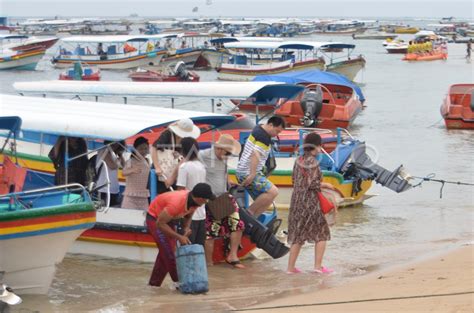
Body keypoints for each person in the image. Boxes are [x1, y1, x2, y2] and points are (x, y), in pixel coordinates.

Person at [146, 183, 216, 287]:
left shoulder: (195, 202)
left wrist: (186, 228)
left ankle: (153, 285)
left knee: (164, 254)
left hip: (170, 219)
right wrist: (179, 237)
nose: (207, 202)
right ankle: (181, 284)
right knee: (170, 255)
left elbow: (188, 216)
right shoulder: (176, 203)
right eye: (206, 199)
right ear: (200, 198)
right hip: (156, 219)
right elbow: (160, 224)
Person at [286, 133, 336, 274]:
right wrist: (326, 185)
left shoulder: (298, 160)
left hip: (296, 201)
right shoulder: (313, 162)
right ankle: (318, 267)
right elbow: (312, 184)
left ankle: (290, 268)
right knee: (322, 233)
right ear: (316, 146)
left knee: (297, 235)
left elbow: (294, 181)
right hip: (310, 202)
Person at [199, 134, 245, 268]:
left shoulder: (223, 158)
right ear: (219, 149)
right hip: (209, 199)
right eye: (227, 153)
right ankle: (209, 263)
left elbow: (224, 172)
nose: (228, 155)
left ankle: (233, 255)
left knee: (238, 225)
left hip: (223, 196)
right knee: (211, 232)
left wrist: (228, 181)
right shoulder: (204, 155)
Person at [236, 116, 285, 217]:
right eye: (277, 131)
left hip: (245, 171)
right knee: (273, 192)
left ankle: (253, 221)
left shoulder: (258, 128)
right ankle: (248, 213)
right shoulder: (263, 137)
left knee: (267, 200)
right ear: (270, 125)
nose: (277, 135)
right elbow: (255, 154)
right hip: (248, 173)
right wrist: (252, 174)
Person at [151, 118, 201, 195]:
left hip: (175, 173)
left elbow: (184, 158)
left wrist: (172, 177)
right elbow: (153, 147)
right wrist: (157, 166)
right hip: (161, 173)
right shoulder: (167, 135)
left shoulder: (186, 141)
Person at [176, 137, 207, 246]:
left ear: (183, 151)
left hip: (188, 215)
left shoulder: (184, 167)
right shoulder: (202, 166)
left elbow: (180, 192)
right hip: (202, 214)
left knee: (187, 248)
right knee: (199, 248)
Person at [121, 137, 150, 210]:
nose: (143, 151)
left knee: (143, 219)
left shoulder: (147, 161)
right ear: (135, 149)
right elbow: (123, 173)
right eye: (141, 148)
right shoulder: (130, 161)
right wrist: (132, 170)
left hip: (143, 197)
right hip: (130, 197)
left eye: (146, 148)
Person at [96, 141, 125, 207]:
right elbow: (112, 166)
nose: (115, 144)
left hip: (114, 189)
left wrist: (120, 155)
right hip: (103, 188)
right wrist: (118, 160)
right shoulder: (103, 150)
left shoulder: (114, 153)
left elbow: (124, 166)